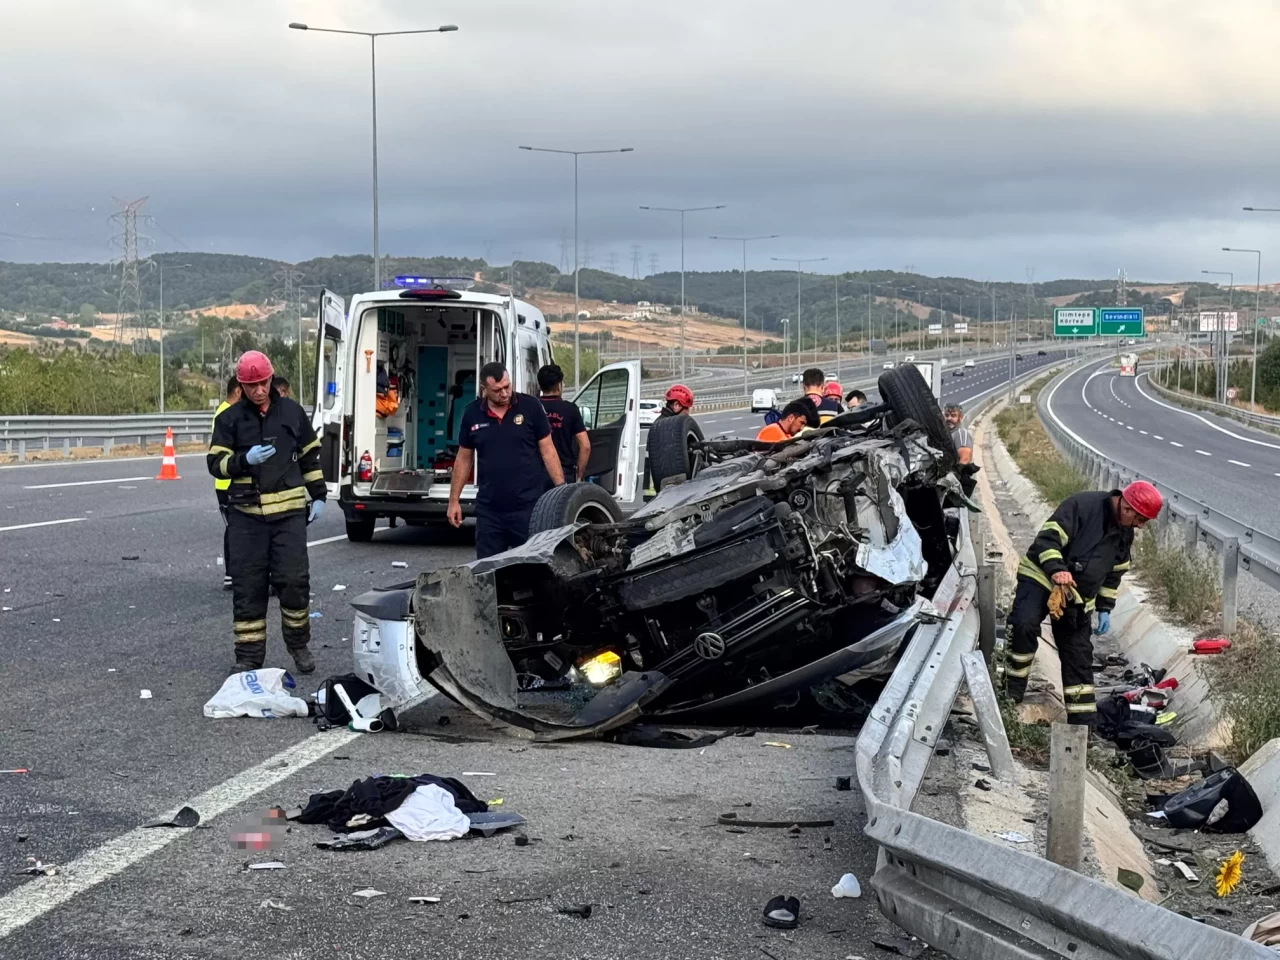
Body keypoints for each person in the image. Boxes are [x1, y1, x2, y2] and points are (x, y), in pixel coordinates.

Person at [208, 351, 327, 675]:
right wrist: (243, 460)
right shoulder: (229, 420)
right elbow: (215, 463)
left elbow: (309, 458)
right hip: (247, 518)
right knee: (249, 588)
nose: (258, 391)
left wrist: (319, 495)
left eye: (262, 383)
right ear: (241, 387)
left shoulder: (291, 413)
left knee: (293, 582)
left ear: (271, 379)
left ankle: (298, 644)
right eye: (251, 386)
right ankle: (248, 657)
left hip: (288, 516)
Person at [1006, 481, 1162, 725]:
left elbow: (1113, 573)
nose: (1141, 526)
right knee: (1024, 625)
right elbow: (1047, 540)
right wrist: (1057, 569)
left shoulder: (1124, 534)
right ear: (1127, 507)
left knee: (1078, 657)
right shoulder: (1082, 506)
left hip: (1077, 596)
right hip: (1041, 578)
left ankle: (1083, 726)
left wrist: (1104, 608)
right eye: (1140, 519)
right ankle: (1011, 693)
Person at [448, 362, 566, 559]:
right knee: (488, 570)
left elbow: (548, 450)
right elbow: (464, 458)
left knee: (534, 567)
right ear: (484, 389)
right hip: (490, 510)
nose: (504, 393)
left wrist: (561, 490)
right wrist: (454, 501)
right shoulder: (472, 413)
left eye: (507, 386)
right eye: (497, 390)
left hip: (529, 507)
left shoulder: (530, 407)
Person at [537, 363, 591, 482]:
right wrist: (579, 474)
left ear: (539, 386)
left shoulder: (532, 408)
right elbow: (585, 446)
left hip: (536, 476)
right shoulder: (570, 410)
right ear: (559, 386)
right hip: (564, 473)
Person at [213, 376, 242, 590]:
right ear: (239, 392)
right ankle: (231, 575)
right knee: (235, 528)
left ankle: (233, 574)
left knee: (234, 528)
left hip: (225, 482)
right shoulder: (226, 414)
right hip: (228, 483)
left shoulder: (225, 410)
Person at [644, 384, 695, 495]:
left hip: (657, 492)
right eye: (686, 408)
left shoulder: (657, 425)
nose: (688, 412)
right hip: (666, 492)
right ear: (676, 405)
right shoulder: (669, 430)